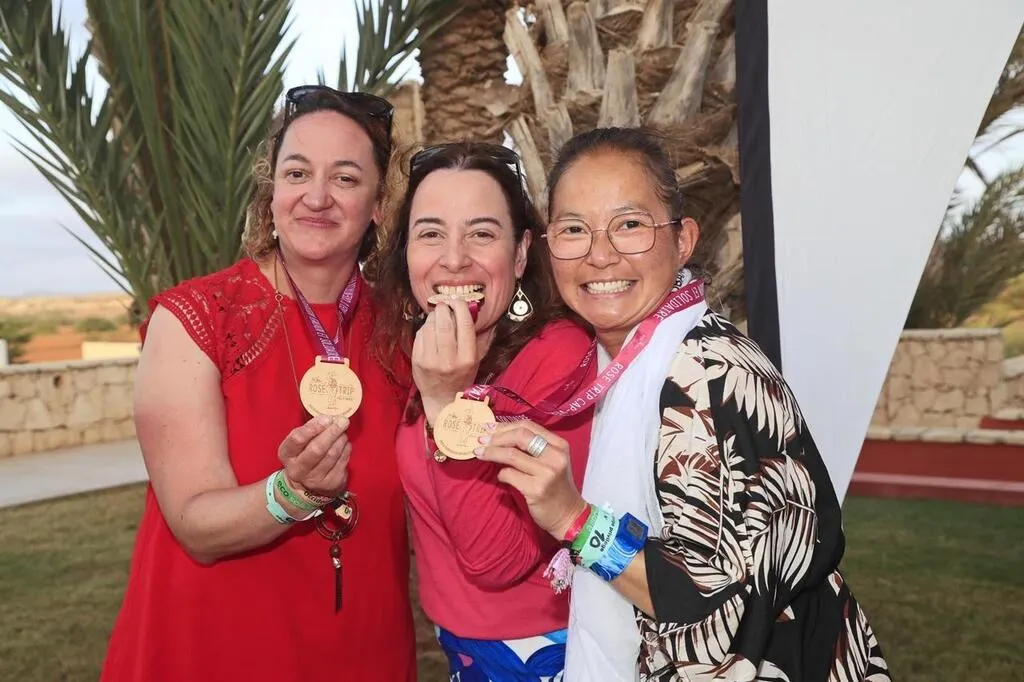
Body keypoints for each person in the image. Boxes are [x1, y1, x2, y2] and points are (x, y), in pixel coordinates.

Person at [477, 127, 892, 682]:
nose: (600, 255)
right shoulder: (623, 360)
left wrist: (574, 520)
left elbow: (713, 604)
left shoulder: (708, 370)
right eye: (574, 229)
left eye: (629, 225)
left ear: (684, 240)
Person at [101, 85, 417, 681]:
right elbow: (195, 525)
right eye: (297, 173)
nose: (317, 197)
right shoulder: (197, 319)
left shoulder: (404, 334)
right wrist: (294, 493)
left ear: (378, 204)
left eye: (345, 178)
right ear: (272, 192)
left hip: (362, 650)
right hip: (215, 653)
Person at [368, 141, 594, 680]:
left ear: (520, 254)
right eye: (430, 234)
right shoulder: (411, 349)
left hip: (543, 655)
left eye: (482, 234)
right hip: (461, 653)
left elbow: (497, 561)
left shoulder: (560, 358)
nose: (454, 258)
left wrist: (449, 403)